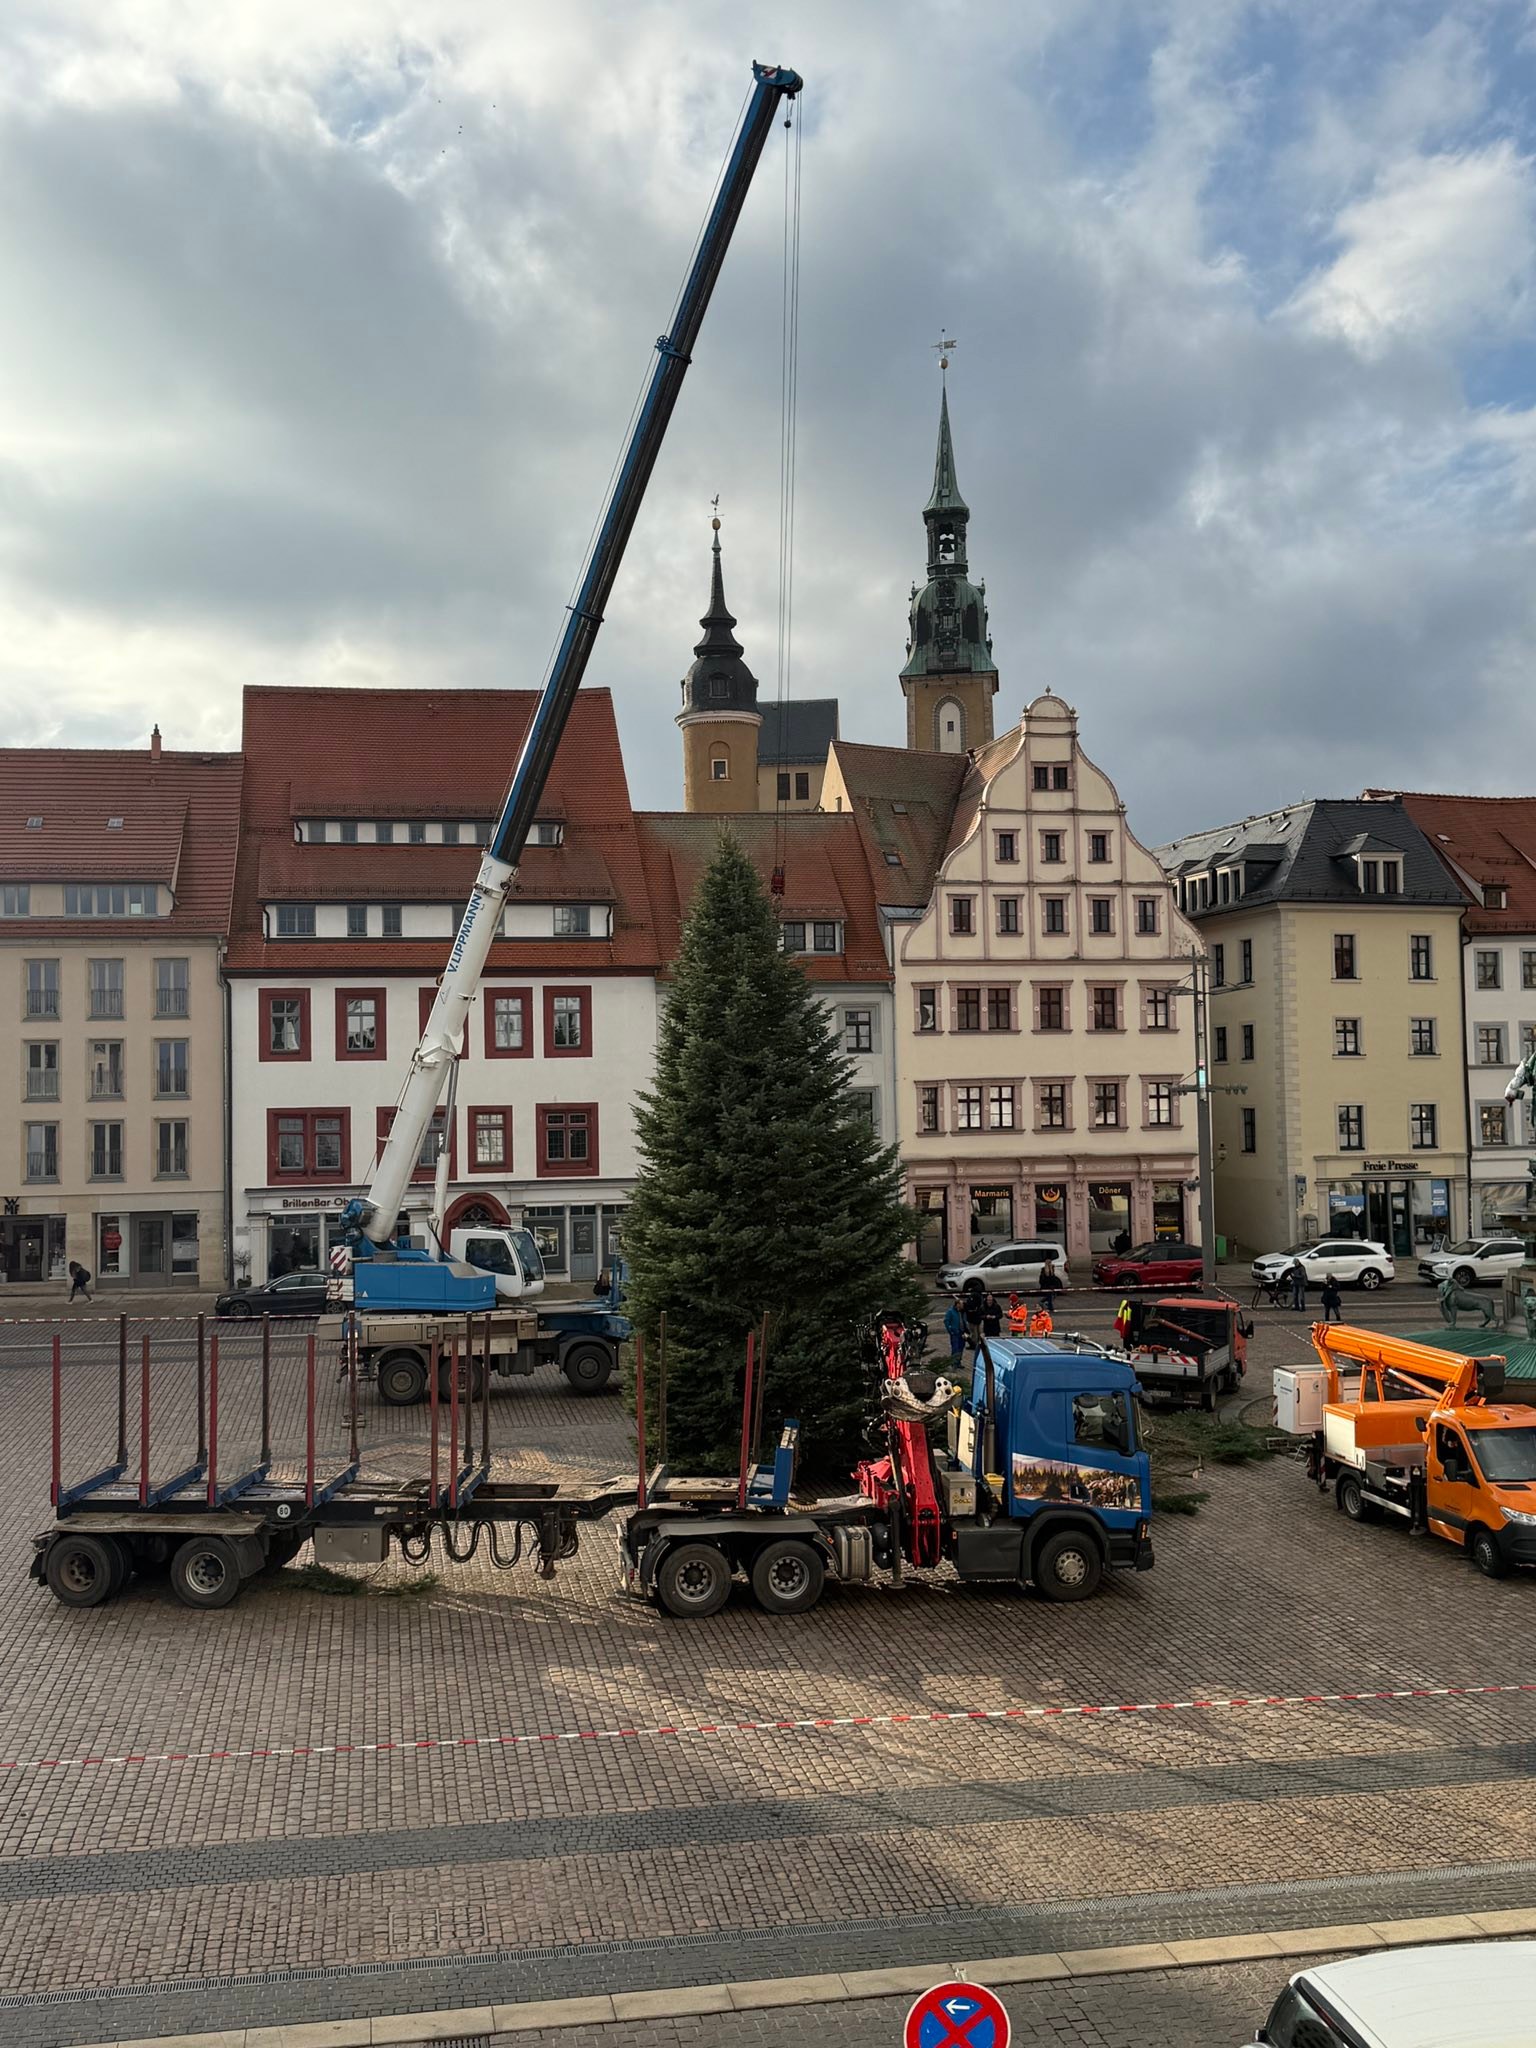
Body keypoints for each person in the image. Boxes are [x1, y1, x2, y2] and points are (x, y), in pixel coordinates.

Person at [943, 1296, 966, 1362]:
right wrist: (950, 1331)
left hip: (962, 1332)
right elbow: (946, 1321)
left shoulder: (962, 1312)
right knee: (955, 1348)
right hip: (955, 1332)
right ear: (957, 1305)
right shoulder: (951, 1312)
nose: (963, 1306)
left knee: (961, 1347)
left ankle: (958, 1361)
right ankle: (954, 1362)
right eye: (961, 1304)